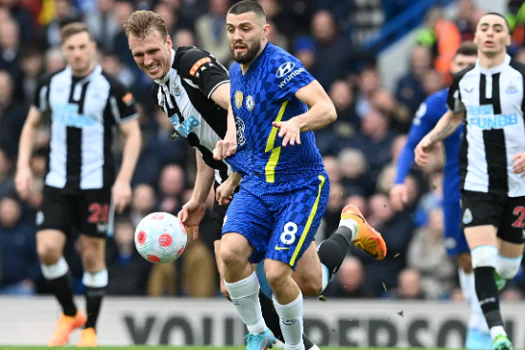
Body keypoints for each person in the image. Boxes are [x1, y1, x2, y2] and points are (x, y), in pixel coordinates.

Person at [124, 9, 386, 350]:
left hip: (259, 175)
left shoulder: (191, 64)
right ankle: (272, 338)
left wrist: (236, 145)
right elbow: (204, 148)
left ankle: (348, 228)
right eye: (138, 55)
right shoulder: (164, 95)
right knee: (235, 276)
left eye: (152, 51)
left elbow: (231, 103)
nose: (147, 60)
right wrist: (197, 197)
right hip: (235, 180)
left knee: (306, 281)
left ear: (168, 43)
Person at [213, 2, 387, 350]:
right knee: (233, 254)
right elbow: (250, 133)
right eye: (232, 29)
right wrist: (234, 175)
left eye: (245, 28)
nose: (237, 36)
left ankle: (296, 348)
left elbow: (327, 107)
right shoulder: (234, 71)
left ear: (264, 31)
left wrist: (297, 122)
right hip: (258, 185)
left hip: (300, 186)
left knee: (281, 275)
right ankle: (259, 332)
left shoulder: (280, 66)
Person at [15, 22, 141, 347]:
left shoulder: (112, 87)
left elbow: (132, 134)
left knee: (91, 255)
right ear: (63, 50)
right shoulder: (49, 84)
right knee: (47, 249)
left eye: (82, 46)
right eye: (70, 48)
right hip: (57, 182)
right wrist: (23, 167)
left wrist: (124, 180)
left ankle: (91, 330)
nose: (77, 53)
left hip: (96, 183)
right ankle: (70, 313)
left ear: (93, 47)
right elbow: (31, 125)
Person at [415, 13, 525, 350]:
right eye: (484, 29)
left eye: (498, 29)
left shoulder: (520, 77)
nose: (490, 34)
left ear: (508, 39)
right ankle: (494, 331)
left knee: (507, 265)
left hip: (517, 187)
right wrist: (430, 139)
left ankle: (492, 295)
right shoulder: (464, 80)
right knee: (481, 258)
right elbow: (454, 115)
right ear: (475, 38)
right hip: (476, 185)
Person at [391, 41, 493, 349]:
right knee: (465, 255)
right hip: (455, 188)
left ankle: (482, 319)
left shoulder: (499, 99)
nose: (463, 69)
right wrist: (399, 181)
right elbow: (411, 143)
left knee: (491, 256)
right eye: (459, 63)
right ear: (451, 67)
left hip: (496, 188)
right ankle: (479, 320)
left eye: (470, 64)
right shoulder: (440, 102)